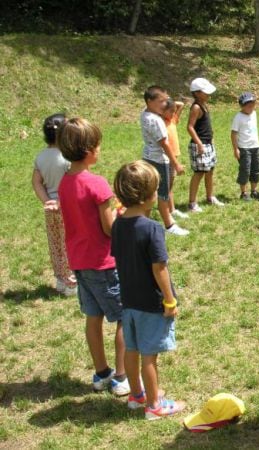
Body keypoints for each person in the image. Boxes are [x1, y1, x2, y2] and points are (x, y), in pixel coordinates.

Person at [57, 117, 129, 395]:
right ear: (88, 151)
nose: (100, 150)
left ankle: (101, 373)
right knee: (124, 316)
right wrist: (121, 215)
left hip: (79, 261)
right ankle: (122, 377)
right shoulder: (97, 184)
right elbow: (109, 228)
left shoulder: (65, 182)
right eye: (98, 146)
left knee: (93, 316)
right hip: (103, 262)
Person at [111, 160, 186, 420]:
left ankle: (136, 395)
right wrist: (169, 299)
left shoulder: (117, 225)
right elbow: (160, 269)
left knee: (131, 349)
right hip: (151, 304)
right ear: (147, 197)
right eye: (156, 189)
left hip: (128, 301)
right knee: (149, 356)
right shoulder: (152, 228)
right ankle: (154, 405)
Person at [32, 113, 77, 296]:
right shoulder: (67, 158)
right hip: (68, 208)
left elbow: (36, 182)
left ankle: (60, 279)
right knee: (70, 242)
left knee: (56, 242)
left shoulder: (41, 157)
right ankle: (71, 283)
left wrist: (47, 200)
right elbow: (73, 181)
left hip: (51, 209)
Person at [140, 86, 188, 236]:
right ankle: (169, 225)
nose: (164, 105)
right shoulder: (156, 120)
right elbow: (165, 144)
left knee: (149, 192)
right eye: (161, 101)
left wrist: (164, 96)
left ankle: (143, 223)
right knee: (163, 194)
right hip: (159, 160)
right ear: (149, 101)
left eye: (165, 101)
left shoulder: (145, 113)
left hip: (147, 157)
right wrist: (176, 164)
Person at [187, 77, 224, 212]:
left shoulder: (204, 104)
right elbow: (190, 127)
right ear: (196, 93)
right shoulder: (196, 107)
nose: (208, 95)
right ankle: (192, 203)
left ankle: (210, 197)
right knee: (199, 173)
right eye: (205, 92)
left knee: (210, 171)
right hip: (200, 146)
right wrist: (199, 144)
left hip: (208, 144)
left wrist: (211, 140)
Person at [232, 92, 259, 201]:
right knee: (245, 170)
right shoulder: (238, 117)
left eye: (253, 105)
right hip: (244, 148)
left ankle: (254, 191)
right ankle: (243, 193)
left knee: (256, 169)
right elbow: (233, 134)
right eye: (248, 106)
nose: (251, 108)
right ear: (242, 106)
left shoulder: (254, 114)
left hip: (255, 146)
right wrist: (235, 149)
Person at [161, 98, 189, 220]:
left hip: (174, 157)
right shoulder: (160, 122)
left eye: (174, 111)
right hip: (166, 157)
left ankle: (172, 209)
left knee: (170, 185)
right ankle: (167, 210)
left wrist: (169, 102)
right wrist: (164, 105)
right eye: (171, 111)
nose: (173, 113)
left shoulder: (172, 120)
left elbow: (181, 104)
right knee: (165, 185)